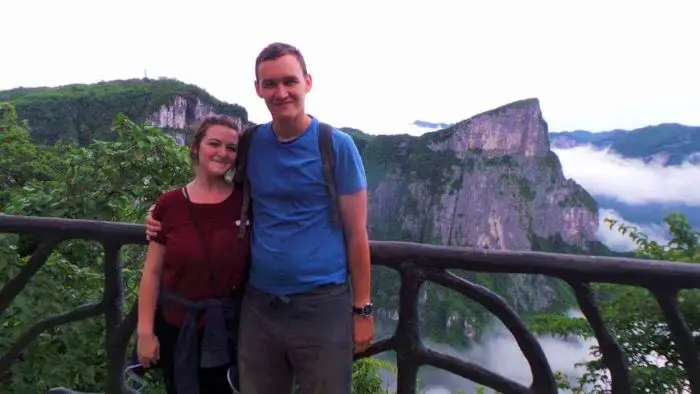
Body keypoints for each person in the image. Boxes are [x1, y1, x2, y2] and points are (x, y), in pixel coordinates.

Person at [146, 42, 374, 394]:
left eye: (289, 81)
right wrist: (163, 212)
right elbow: (215, 185)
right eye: (270, 84)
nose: (280, 92)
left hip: (321, 304)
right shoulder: (251, 143)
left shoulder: (337, 146)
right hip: (258, 304)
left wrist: (362, 310)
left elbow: (357, 234)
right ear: (258, 89)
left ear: (307, 82)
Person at [137, 115, 250, 394]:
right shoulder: (170, 204)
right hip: (177, 328)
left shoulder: (247, 200)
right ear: (196, 147)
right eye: (214, 143)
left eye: (231, 148)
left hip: (231, 331)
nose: (223, 153)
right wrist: (144, 332)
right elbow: (152, 273)